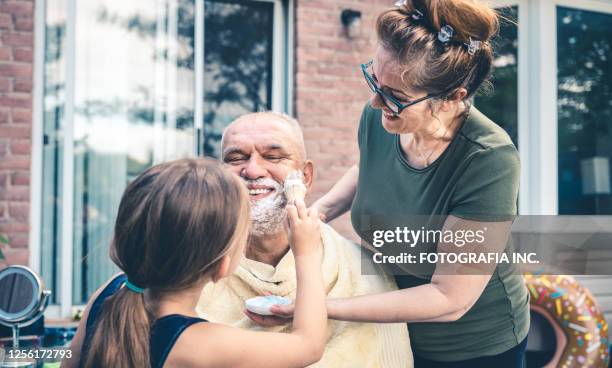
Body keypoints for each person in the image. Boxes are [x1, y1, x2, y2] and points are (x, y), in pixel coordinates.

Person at [265, 1, 530, 367]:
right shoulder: (384, 116)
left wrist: (317, 309)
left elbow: (449, 299)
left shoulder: (489, 159)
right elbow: (370, 165)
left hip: (473, 346)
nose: (375, 102)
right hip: (396, 326)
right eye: (374, 79)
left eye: (396, 96)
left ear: (454, 98)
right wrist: (318, 213)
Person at [197, 111, 413, 368]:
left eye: (273, 156)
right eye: (236, 158)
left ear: (306, 177)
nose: (252, 170)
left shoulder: (363, 273)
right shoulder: (194, 268)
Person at [64, 158, 327, 368]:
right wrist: (306, 253)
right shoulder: (199, 343)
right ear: (222, 266)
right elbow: (308, 345)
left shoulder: (109, 294)